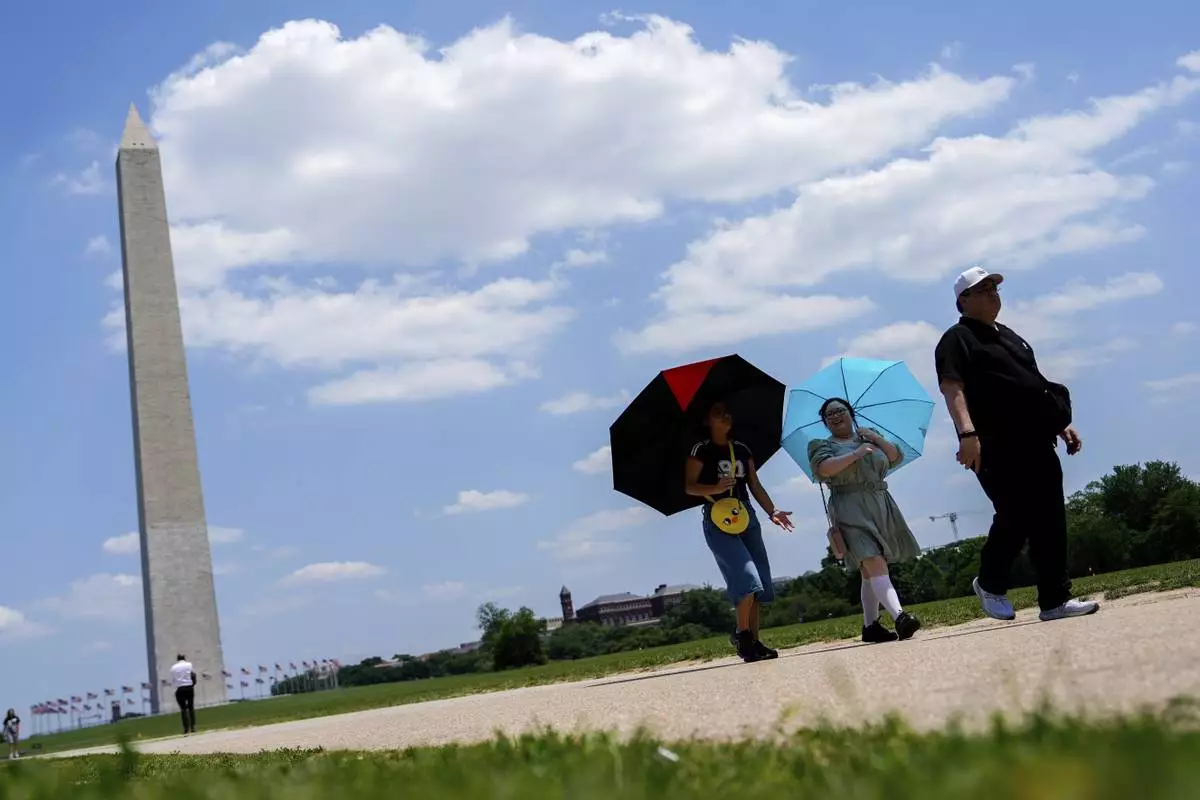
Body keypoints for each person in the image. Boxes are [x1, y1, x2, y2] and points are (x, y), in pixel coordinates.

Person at [934, 265, 1100, 622]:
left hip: (1036, 440)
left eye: (995, 288)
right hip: (994, 443)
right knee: (1016, 514)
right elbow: (952, 387)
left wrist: (1060, 425)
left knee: (1050, 519)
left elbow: (1032, 384)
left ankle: (1055, 600)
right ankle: (990, 583)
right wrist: (967, 434)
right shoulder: (957, 339)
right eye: (983, 289)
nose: (993, 294)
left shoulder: (1011, 337)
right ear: (963, 300)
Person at [685, 399, 794, 663]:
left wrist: (772, 511)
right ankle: (742, 635)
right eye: (717, 413)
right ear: (706, 421)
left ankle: (753, 641)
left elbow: (754, 484)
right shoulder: (701, 450)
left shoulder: (742, 449)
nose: (725, 416)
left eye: (727, 412)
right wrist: (715, 487)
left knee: (759, 585)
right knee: (747, 579)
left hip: (746, 515)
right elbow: (690, 486)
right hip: (718, 517)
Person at [807, 398, 923, 642]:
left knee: (869, 571)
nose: (836, 416)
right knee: (872, 559)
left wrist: (875, 438)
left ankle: (870, 626)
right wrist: (855, 454)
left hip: (881, 504)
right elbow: (823, 469)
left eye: (840, 410)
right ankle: (900, 616)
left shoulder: (869, 436)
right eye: (829, 414)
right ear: (825, 422)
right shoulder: (821, 445)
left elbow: (895, 457)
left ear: (851, 413)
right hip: (848, 507)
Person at [170, 654, 198, 734]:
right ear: (184, 658)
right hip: (189, 687)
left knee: (183, 709)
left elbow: (173, 680)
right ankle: (193, 727)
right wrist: (193, 683)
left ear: (177, 659)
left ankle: (186, 729)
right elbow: (193, 675)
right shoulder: (189, 665)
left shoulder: (173, 668)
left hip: (180, 689)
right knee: (191, 708)